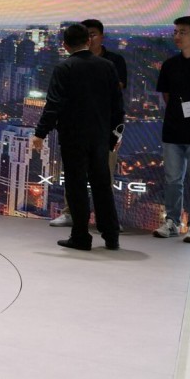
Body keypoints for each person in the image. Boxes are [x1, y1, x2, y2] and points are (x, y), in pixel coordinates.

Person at [32, 24, 124, 251]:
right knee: (102, 185)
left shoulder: (65, 68)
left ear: (65, 45)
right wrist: (114, 135)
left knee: (77, 186)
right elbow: (117, 106)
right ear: (89, 41)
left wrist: (40, 133)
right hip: (101, 137)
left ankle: (81, 236)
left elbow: (54, 105)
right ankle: (111, 236)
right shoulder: (108, 66)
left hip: (73, 136)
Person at [50, 19, 128, 229]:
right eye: (87, 35)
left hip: (104, 129)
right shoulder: (70, 63)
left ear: (101, 36)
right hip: (77, 128)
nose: (90, 38)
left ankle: (108, 220)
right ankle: (70, 213)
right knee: (74, 175)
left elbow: (115, 94)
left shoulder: (113, 61)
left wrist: (116, 132)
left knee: (105, 176)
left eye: (93, 34)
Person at [154, 15, 190, 243]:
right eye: (175, 32)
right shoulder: (169, 65)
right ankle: (172, 222)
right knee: (173, 180)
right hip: (173, 131)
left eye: (182, 32)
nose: (177, 36)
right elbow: (167, 96)